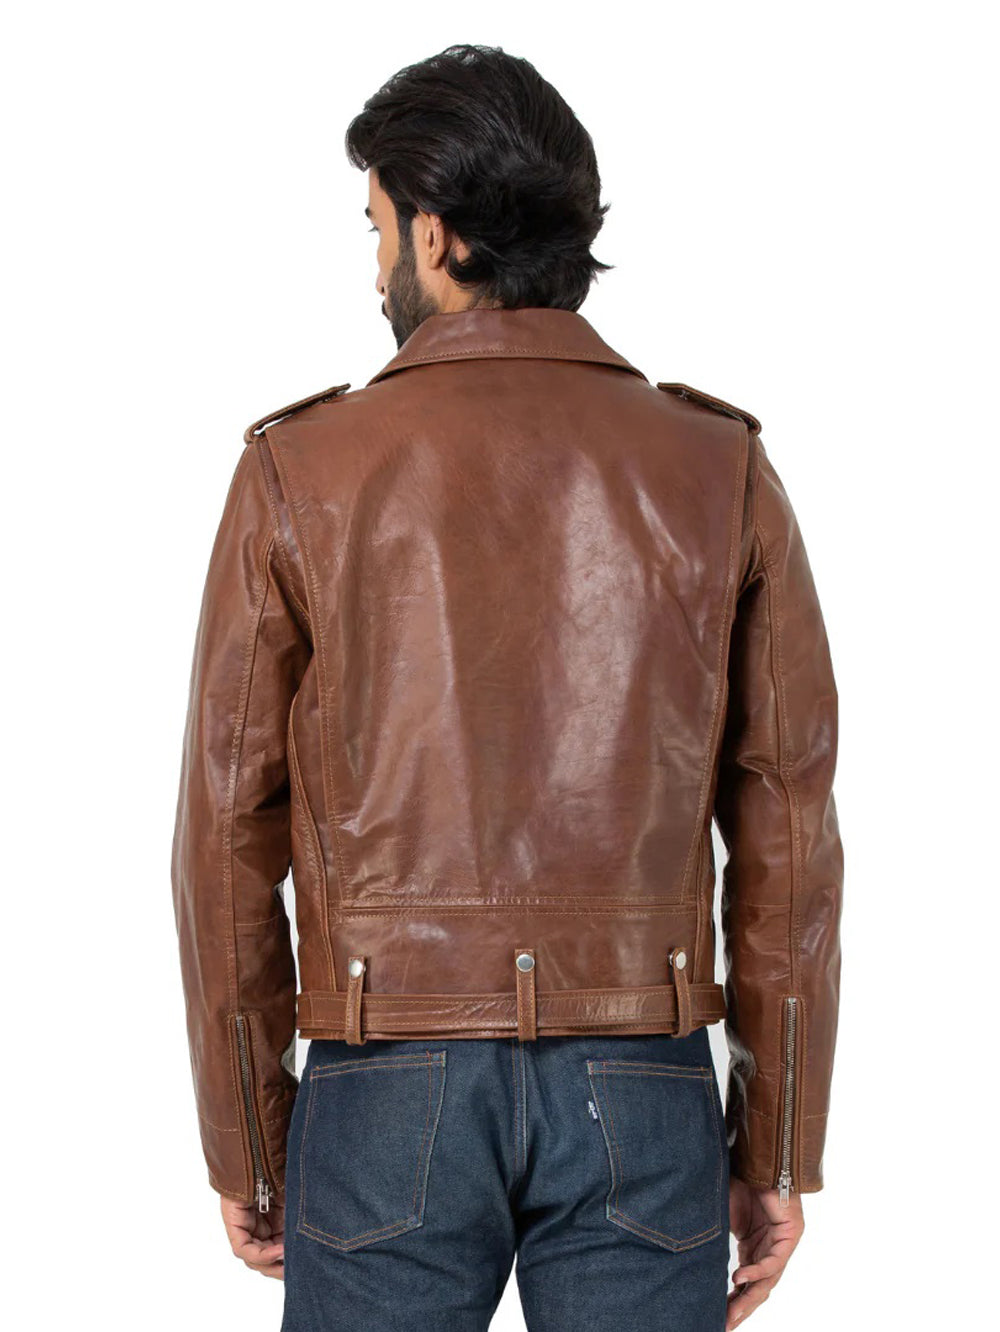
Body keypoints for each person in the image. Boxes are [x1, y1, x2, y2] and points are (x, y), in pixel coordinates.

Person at [170, 43, 843, 1332]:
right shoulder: (720, 466)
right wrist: (776, 1146)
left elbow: (224, 833)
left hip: (385, 1075)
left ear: (435, 234)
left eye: (377, 230)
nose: (375, 266)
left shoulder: (299, 470)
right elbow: (789, 830)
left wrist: (248, 1139)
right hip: (643, 1072)